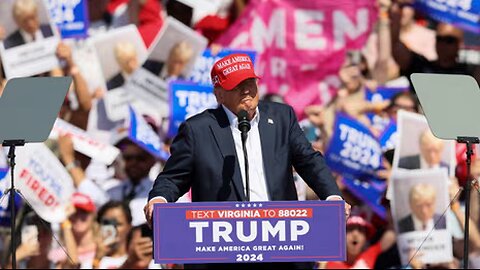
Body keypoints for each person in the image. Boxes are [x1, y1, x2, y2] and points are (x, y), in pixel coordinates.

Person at [144, 53, 350, 269]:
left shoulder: (282, 118)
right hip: (224, 252)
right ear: (219, 94)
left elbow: (309, 161)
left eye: (250, 82)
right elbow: (173, 178)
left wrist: (332, 196)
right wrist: (159, 199)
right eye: (236, 85)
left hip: (281, 246)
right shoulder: (198, 130)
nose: (246, 90)